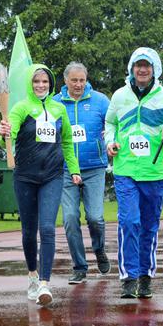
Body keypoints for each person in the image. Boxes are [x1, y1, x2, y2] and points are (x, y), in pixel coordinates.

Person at [0, 64, 82, 307]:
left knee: (47, 228)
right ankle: (33, 274)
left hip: (52, 177)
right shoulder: (21, 108)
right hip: (25, 177)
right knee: (28, 230)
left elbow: (66, 142)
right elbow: (8, 133)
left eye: (45, 82)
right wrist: (3, 131)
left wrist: (74, 169)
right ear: (30, 84)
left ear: (51, 83)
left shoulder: (59, 109)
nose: (41, 86)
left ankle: (45, 283)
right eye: (36, 82)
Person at [105, 47, 163, 299]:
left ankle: (145, 276)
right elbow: (110, 123)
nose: (142, 69)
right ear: (131, 67)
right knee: (129, 222)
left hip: (154, 173)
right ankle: (128, 277)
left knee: (149, 226)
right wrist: (110, 142)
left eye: (147, 65)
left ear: (155, 69)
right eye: (138, 65)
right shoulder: (119, 96)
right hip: (125, 170)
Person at [53, 62, 110, 284]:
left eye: (82, 80)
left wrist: (111, 140)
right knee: (69, 218)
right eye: (74, 80)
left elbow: (115, 124)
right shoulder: (55, 103)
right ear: (65, 80)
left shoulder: (100, 101)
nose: (78, 84)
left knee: (95, 217)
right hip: (66, 170)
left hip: (94, 167)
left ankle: (99, 249)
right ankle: (79, 266)